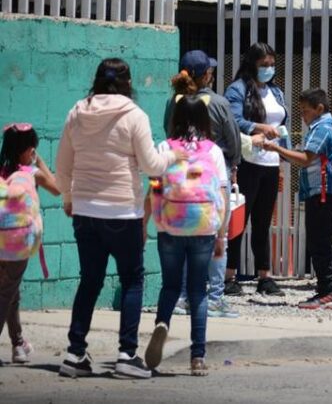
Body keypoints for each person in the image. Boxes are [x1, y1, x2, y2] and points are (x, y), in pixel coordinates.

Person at [55, 58, 186, 379]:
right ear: (128, 83)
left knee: (89, 281)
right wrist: (171, 154)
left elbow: (62, 166)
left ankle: (74, 354)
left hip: (85, 211)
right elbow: (153, 166)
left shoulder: (76, 113)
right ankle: (127, 355)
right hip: (122, 212)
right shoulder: (133, 115)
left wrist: (70, 198)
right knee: (131, 280)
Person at [144, 95, 228, 376]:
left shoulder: (165, 147)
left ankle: (162, 324)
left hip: (170, 225)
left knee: (170, 287)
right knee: (197, 292)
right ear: (205, 120)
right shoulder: (213, 151)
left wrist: (149, 221)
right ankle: (198, 357)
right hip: (204, 226)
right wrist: (221, 235)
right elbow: (222, 194)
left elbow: (155, 186)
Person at [163, 50, 242, 318]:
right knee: (218, 237)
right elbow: (233, 140)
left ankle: (183, 296)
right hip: (213, 177)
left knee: (184, 236)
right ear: (204, 74)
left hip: (180, 178)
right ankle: (216, 297)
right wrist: (233, 165)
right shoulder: (218, 103)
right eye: (209, 69)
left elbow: (167, 132)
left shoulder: (173, 100)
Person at [262, 89, 332, 309]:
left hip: (323, 193)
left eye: (305, 111)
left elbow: (306, 159)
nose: (302, 115)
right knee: (322, 242)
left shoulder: (322, 128)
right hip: (328, 193)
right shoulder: (330, 127)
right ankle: (326, 291)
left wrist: (276, 148)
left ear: (319, 109)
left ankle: (327, 292)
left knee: (319, 244)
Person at [224, 42, 289, 297]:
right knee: (238, 220)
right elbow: (234, 120)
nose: (269, 69)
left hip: (270, 163)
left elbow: (282, 122)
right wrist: (260, 127)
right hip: (248, 162)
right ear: (252, 64)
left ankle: (264, 276)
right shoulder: (237, 89)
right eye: (264, 65)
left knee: (263, 223)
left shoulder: (276, 92)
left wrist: (283, 157)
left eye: (272, 65)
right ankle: (230, 275)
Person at [0, 123, 60, 366]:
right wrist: (40, 162)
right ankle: (18, 344)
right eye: (32, 146)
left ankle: (18, 344)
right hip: (17, 244)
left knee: (11, 292)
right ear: (27, 150)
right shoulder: (31, 173)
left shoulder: (2, 172)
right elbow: (57, 188)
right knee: (5, 294)